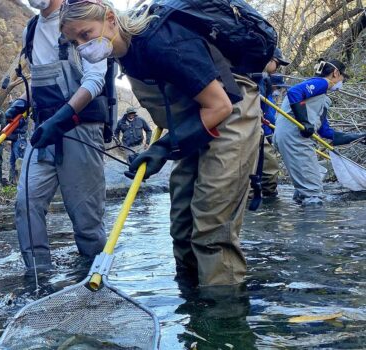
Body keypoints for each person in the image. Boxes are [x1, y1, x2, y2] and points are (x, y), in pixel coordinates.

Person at [60, 0, 261, 287]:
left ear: (110, 18)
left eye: (85, 34)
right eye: (74, 41)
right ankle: (192, 304)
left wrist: (163, 148)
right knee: (182, 225)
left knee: (211, 227)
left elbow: (220, 106)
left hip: (229, 112)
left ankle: (222, 317)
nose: (82, 46)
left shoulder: (160, 42)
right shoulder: (124, 55)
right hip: (192, 123)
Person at [0, 0, 109, 269]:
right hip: (44, 131)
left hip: (81, 130)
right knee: (26, 202)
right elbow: (39, 78)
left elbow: (95, 80)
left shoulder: (81, 21)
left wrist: (61, 119)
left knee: (86, 218)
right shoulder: (31, 29)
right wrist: (23, 102)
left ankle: (93, 279)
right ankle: (38, 277)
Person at [273, 59, 364, 206]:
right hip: (295, 138)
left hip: (285, 137)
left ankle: (304, 210)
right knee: (313, 193)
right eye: (342, 78)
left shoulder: (319, 97)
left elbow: (325, 131)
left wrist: (358, 137)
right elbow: (294, 92)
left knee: (305, 190)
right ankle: (312, 224)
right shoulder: (322, 83)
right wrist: (304, 121)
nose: (342, 82)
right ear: (335, 73)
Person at [252, 49, 290, 198]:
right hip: (256, 130)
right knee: (266, 164)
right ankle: (263, 194)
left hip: (263, 130)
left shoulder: (261, 79)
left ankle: (267, 193)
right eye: (277, 64)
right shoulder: (256, 78)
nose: (277, 68)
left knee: (265, 163)